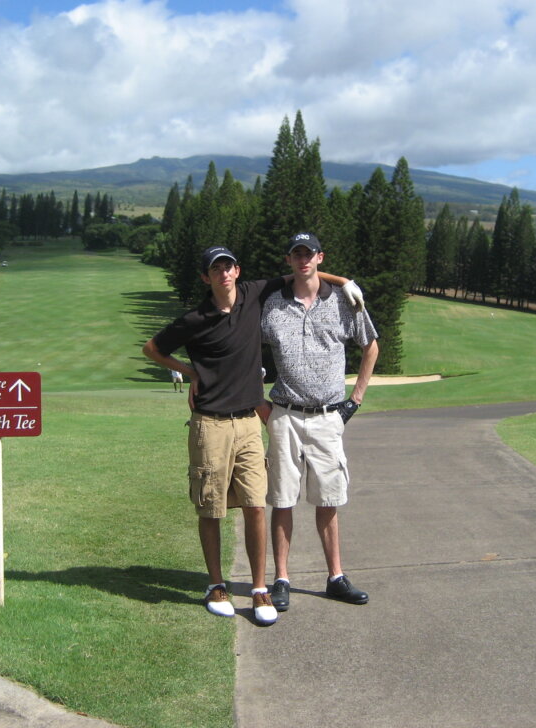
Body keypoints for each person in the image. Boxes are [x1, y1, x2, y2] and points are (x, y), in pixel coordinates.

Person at [142, 245, 362, 625]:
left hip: (247, 423)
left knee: (256, 504)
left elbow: (303, 273)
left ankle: (260, 587)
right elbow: (152, 348)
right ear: (205, 277)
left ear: (237, 271)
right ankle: (216, 585)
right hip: (209, 422)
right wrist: (191, 373)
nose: (223, 274)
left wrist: (344, 282)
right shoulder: (195, 318)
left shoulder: (253, 295)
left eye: (228, 267)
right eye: (215, 269)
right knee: (211, 507)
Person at [260, 232, 379, 612]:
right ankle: (281, 579)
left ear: (319, 257)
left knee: (329, 500)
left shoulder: (346, 303)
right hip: (284, 415)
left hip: (329, 417)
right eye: (296, 254)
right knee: (282, 500)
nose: (303, 260)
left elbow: (371, 345)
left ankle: (335, 578)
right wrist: (259, 404)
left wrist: (354, 401)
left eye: (308, 253)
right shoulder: (273, 305)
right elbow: (244, 349)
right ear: (289, 260)